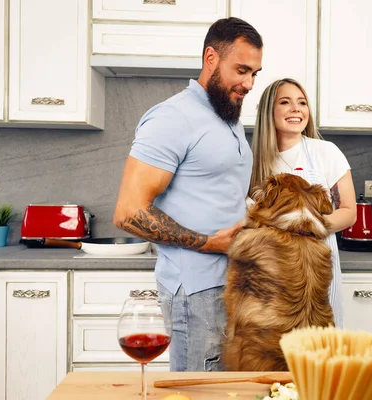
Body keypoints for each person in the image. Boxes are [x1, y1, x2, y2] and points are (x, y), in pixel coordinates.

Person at [112, 17, 263, 372]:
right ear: (211, 57)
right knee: (198, 391)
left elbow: (214, 190)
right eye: (241, 70)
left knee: (226, 392)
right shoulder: (173, 118)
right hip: (196, 294)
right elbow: (128, 211)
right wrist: (209, 243)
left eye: (255, 73)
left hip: (234, 283)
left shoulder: (227, 116)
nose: (249, 83)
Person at [250, 78, 357, 328]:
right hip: (271, 270)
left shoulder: (325, 152)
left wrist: (306, 227)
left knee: (318, 349)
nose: (296, 108)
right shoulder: (253, 162)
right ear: (269, 111)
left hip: (316, 269)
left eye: (302, 102)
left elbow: (349, 212)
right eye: (285, 102)